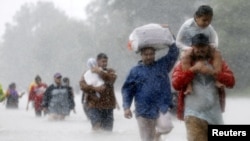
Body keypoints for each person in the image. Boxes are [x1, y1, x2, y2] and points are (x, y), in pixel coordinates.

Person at [172, 33, 235, 141]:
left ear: (208, 47)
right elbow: (176, 84)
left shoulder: (218, 62)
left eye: (203, 46)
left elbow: (231, 82)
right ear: (192, 47)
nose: (200, 49)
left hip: (215, 115)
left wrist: (212, 72)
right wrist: (193, 70)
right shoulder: (183, 63)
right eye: (197, 46)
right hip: (193, 115)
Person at [121, 40, 179, 141]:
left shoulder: (162, 66)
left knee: (167, 127)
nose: (149, 57)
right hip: (143, 110)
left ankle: (157, 134)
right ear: (141, 55)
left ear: (154, 54)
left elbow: (174, 52)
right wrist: (126, 107)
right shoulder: (135, 71)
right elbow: (127, 90)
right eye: (146, 54)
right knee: (147, 139)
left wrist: (169, 36)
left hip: (161, 106)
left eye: (151, 54)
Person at [176, 5, 223, 94]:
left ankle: (217, 79)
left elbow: (215, 40)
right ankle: (189, 85)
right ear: (197, 18)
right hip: (191, 49)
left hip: (205, 49)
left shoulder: (209, 28)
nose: (207, 23)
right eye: (204, 20)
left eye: (209, 20)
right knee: (185, 56)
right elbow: (178, 42)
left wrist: (212, 46)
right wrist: (189, 48)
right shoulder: (187, 26)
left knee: (217, 53)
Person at [79, 53, 119, 132]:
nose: (104, 63)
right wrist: (94, 88)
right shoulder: (88, 73)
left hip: (108, 105)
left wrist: (100, 72)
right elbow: (82, 86)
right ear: (97, 61)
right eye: (102, 61)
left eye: (106, 62)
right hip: (94, 105)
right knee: (96, 126)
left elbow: (111, 80)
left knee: (108, 130)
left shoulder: (111, 72)